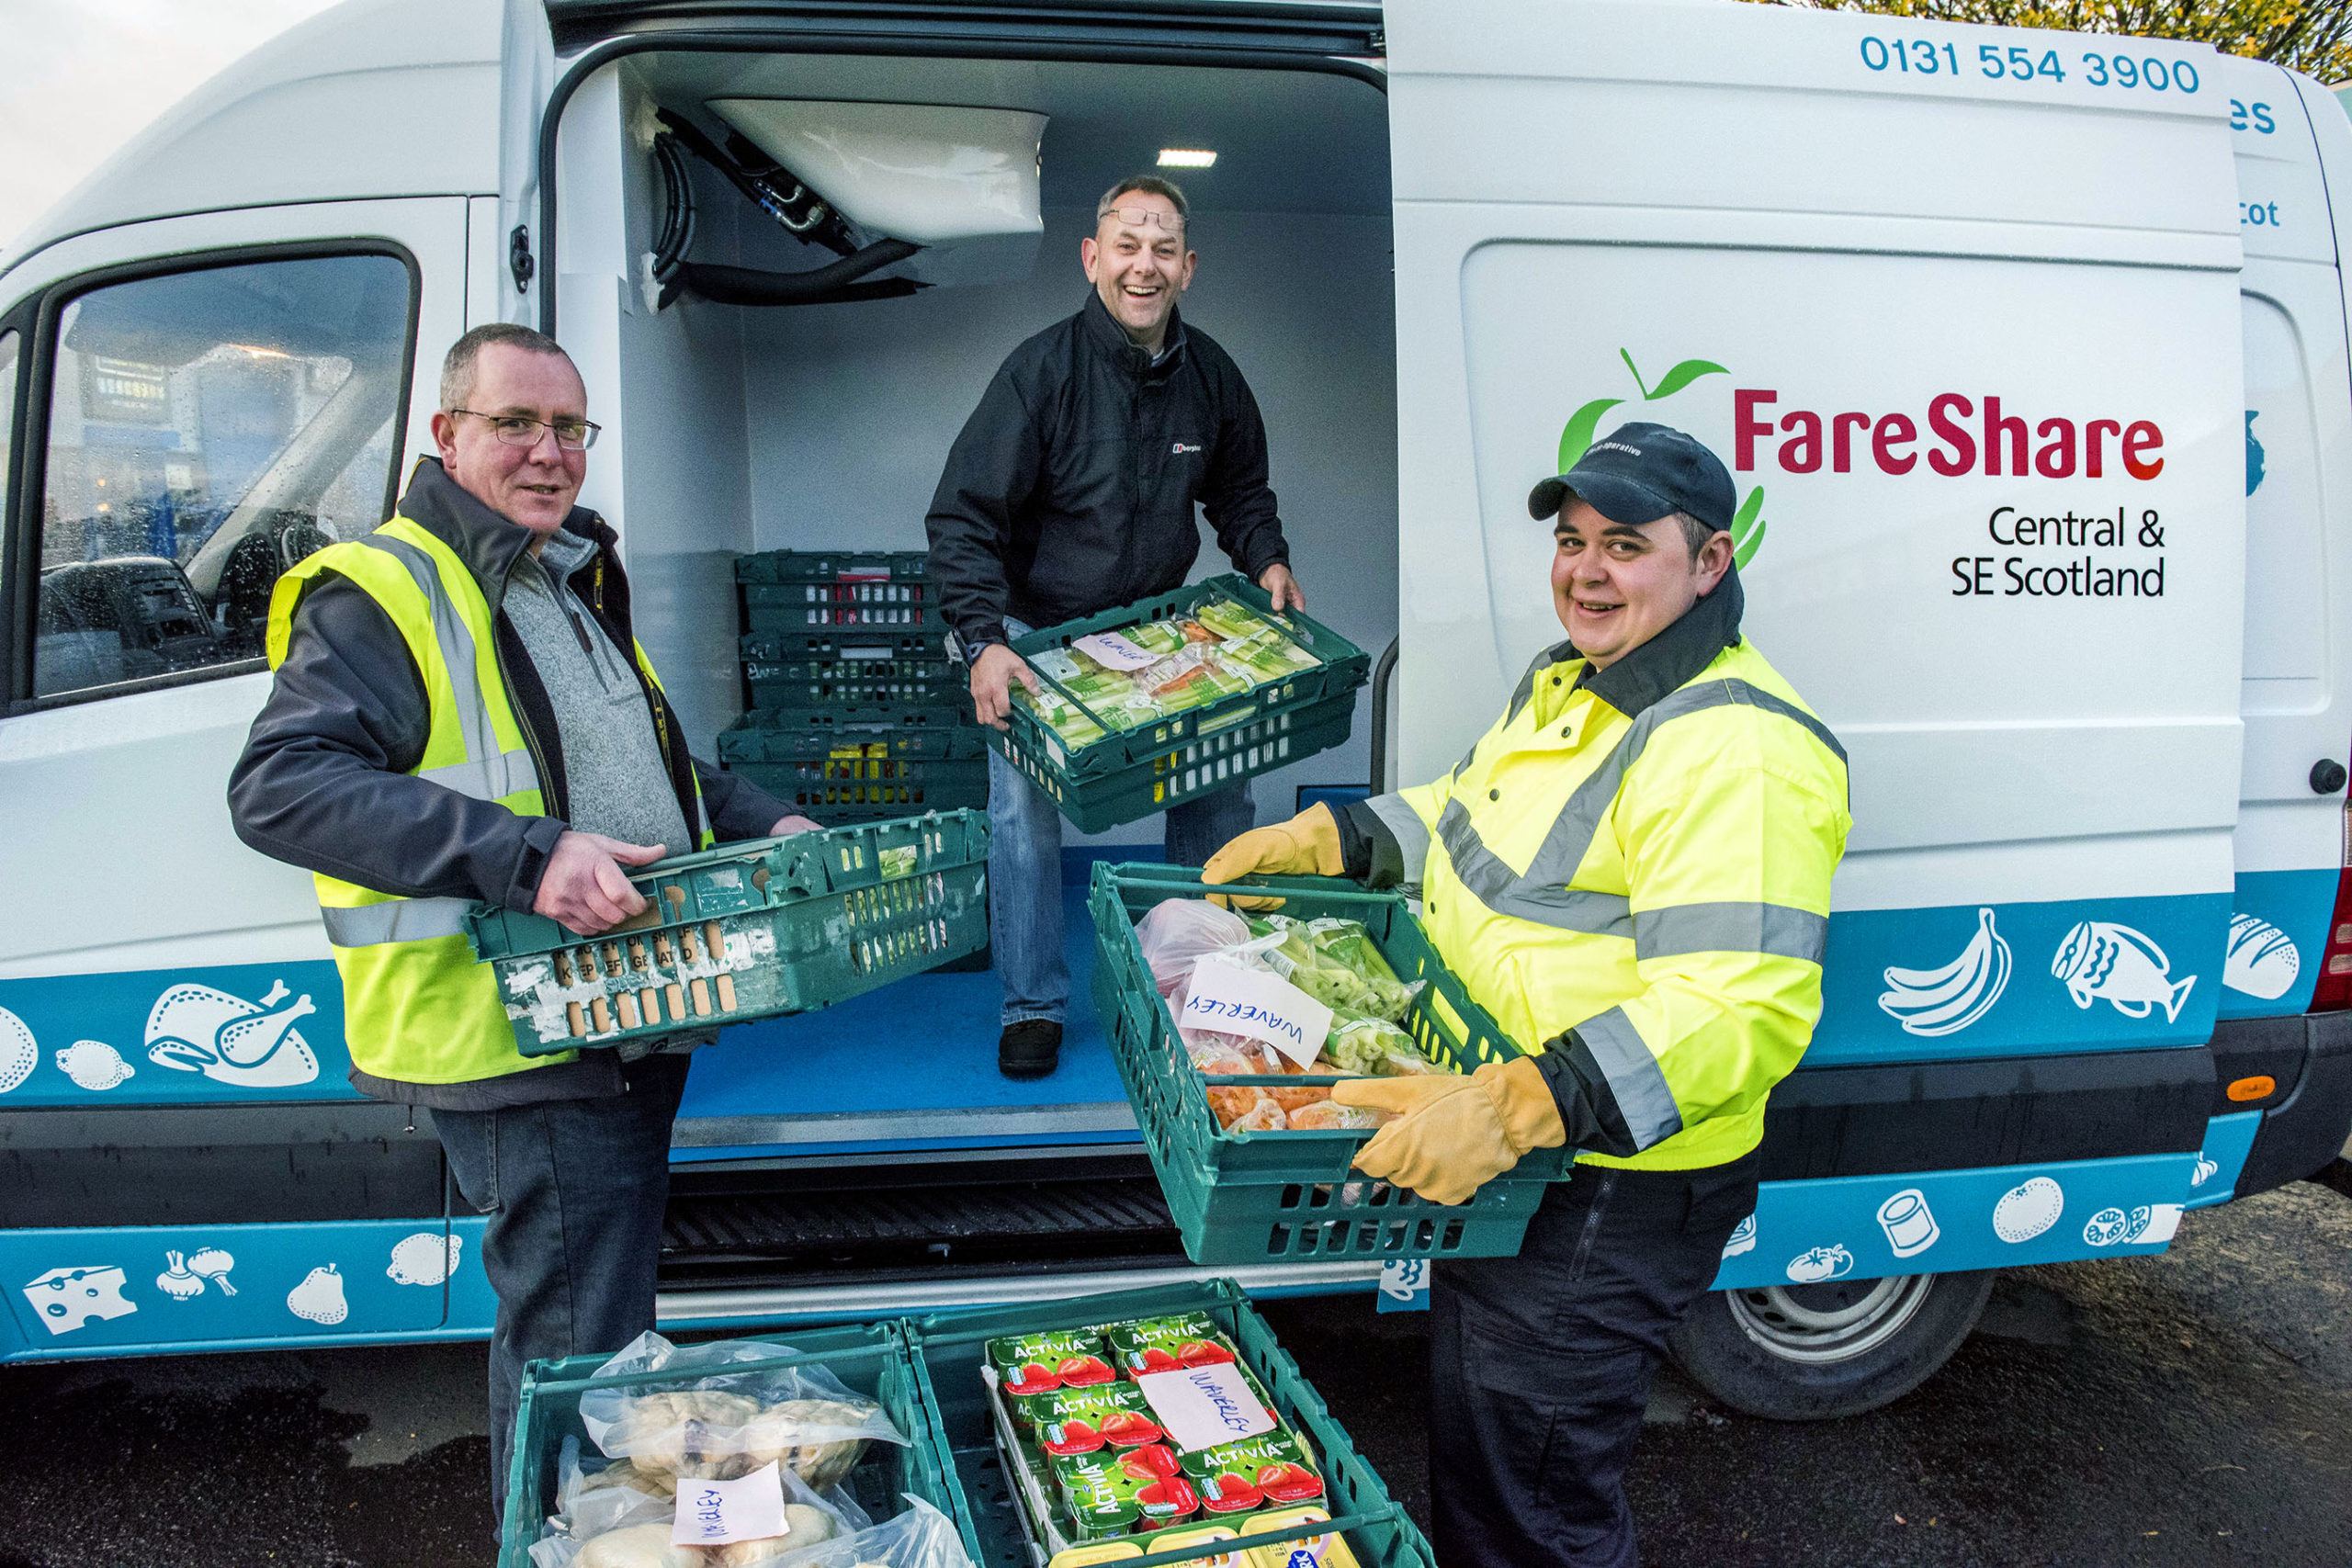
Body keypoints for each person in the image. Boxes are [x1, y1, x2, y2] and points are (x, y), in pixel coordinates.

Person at [1203, 423, 1851, 1567]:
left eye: (1625, 545)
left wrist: (1517, 1107)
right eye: (1571, 541)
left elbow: (1734, 1007)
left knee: (1532, 1510)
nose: (1585, 571)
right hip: (1521, 1156)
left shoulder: (1734, 747)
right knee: (1490, 1455)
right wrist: (1334, 837)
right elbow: (1465, 822)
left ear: (1709, 563)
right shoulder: (1570, 683)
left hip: (1605, 1185)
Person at [227, 323, 817, 1517]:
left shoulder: (557, 574)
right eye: (516, 424)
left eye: (569, 429)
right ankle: (559, 1538)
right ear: (448, 435)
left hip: (616, 1018)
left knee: (603, 1349)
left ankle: (594, 1532)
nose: (549, 453)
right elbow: (280, 786)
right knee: (576, 1366)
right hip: (523, 1038)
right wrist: (527, 856)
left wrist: (764, 821)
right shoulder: (384, 589)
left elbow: (654, 768)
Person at [927, 174, 1304, 1080]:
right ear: (1093, 259)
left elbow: (1241, 493)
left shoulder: (1210, 375)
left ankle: (1197, 986)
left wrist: (1267, 560)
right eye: (1127, 246)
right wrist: (984, 638)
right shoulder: (1040, 372)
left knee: (1220, 788)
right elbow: (962, 518)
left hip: (1154, 636)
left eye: (1163, 248)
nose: (1145, 265)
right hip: (1037, 639)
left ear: (1189, 267)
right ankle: (1032, 1006)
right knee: (1021, 815)